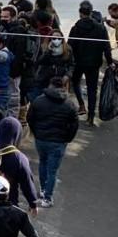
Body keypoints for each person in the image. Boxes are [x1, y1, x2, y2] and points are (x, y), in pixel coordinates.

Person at [27, 77, 79, 208]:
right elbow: (74, 125)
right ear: (64, 86)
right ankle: (48, 197)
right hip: (58, 142)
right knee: (53, 171)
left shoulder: (39, 101)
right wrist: (68, 138)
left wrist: (36, 133)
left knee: (43, 163)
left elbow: (30, 118)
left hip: (41, 139)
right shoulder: (70, 104)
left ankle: (43, 189)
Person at [68, 1, 115, 126]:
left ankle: (82, 104)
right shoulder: (100, 28)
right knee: (92, 89)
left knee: (75, 82)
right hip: (94, 63)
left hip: (78, 62)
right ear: (90, 12)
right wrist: (110, 62)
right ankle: (91, 116)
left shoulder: (76, 28)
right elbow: (106, 47)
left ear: (80, 13)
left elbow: (69, 46)